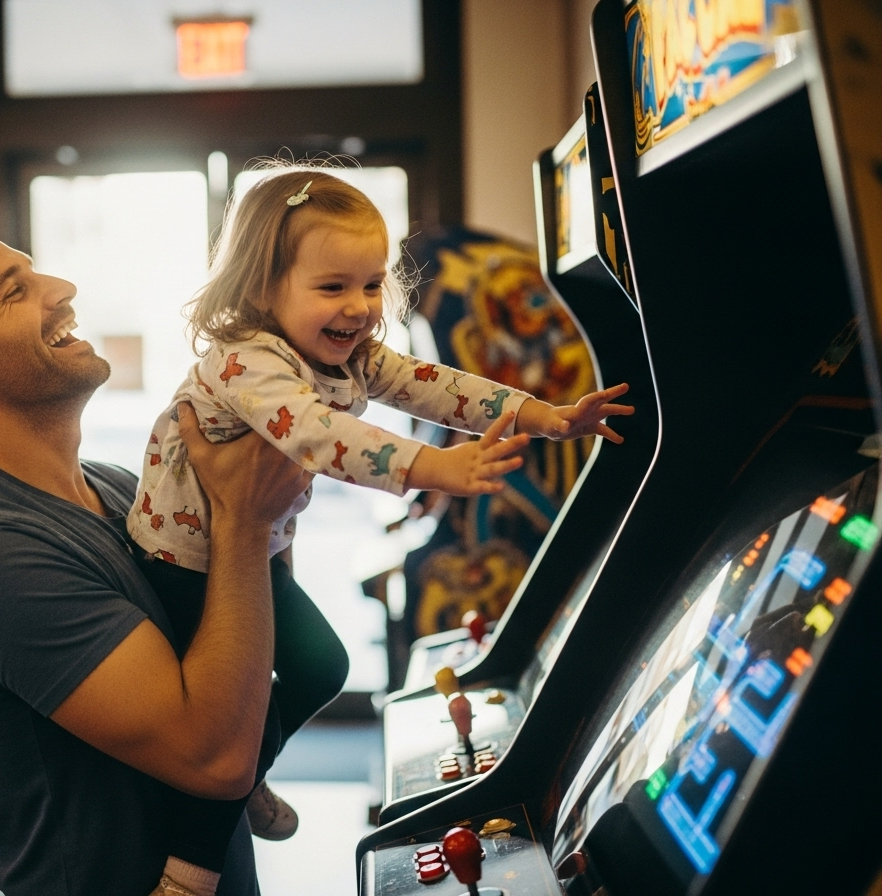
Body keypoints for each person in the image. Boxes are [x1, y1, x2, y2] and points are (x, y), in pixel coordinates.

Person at [128, 168, 635, 892]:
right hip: (182, 561)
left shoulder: (348, 353)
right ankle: (188, 870)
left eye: (371, 284)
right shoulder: (248, 360)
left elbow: (435, 383)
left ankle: (248, 771)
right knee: (231, 724)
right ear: (261, 287)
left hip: (252, 553)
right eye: (333, 287)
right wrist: (439, 468)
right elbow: (317, 436)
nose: (360, 307)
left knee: (321, 668)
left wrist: (541, 416)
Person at [0, 202, 313, 896]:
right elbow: (214, 758)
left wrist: (269, 498)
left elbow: (243, 647)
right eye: (15, 290)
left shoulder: (116, 486)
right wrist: (243, 523)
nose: (61, 289)